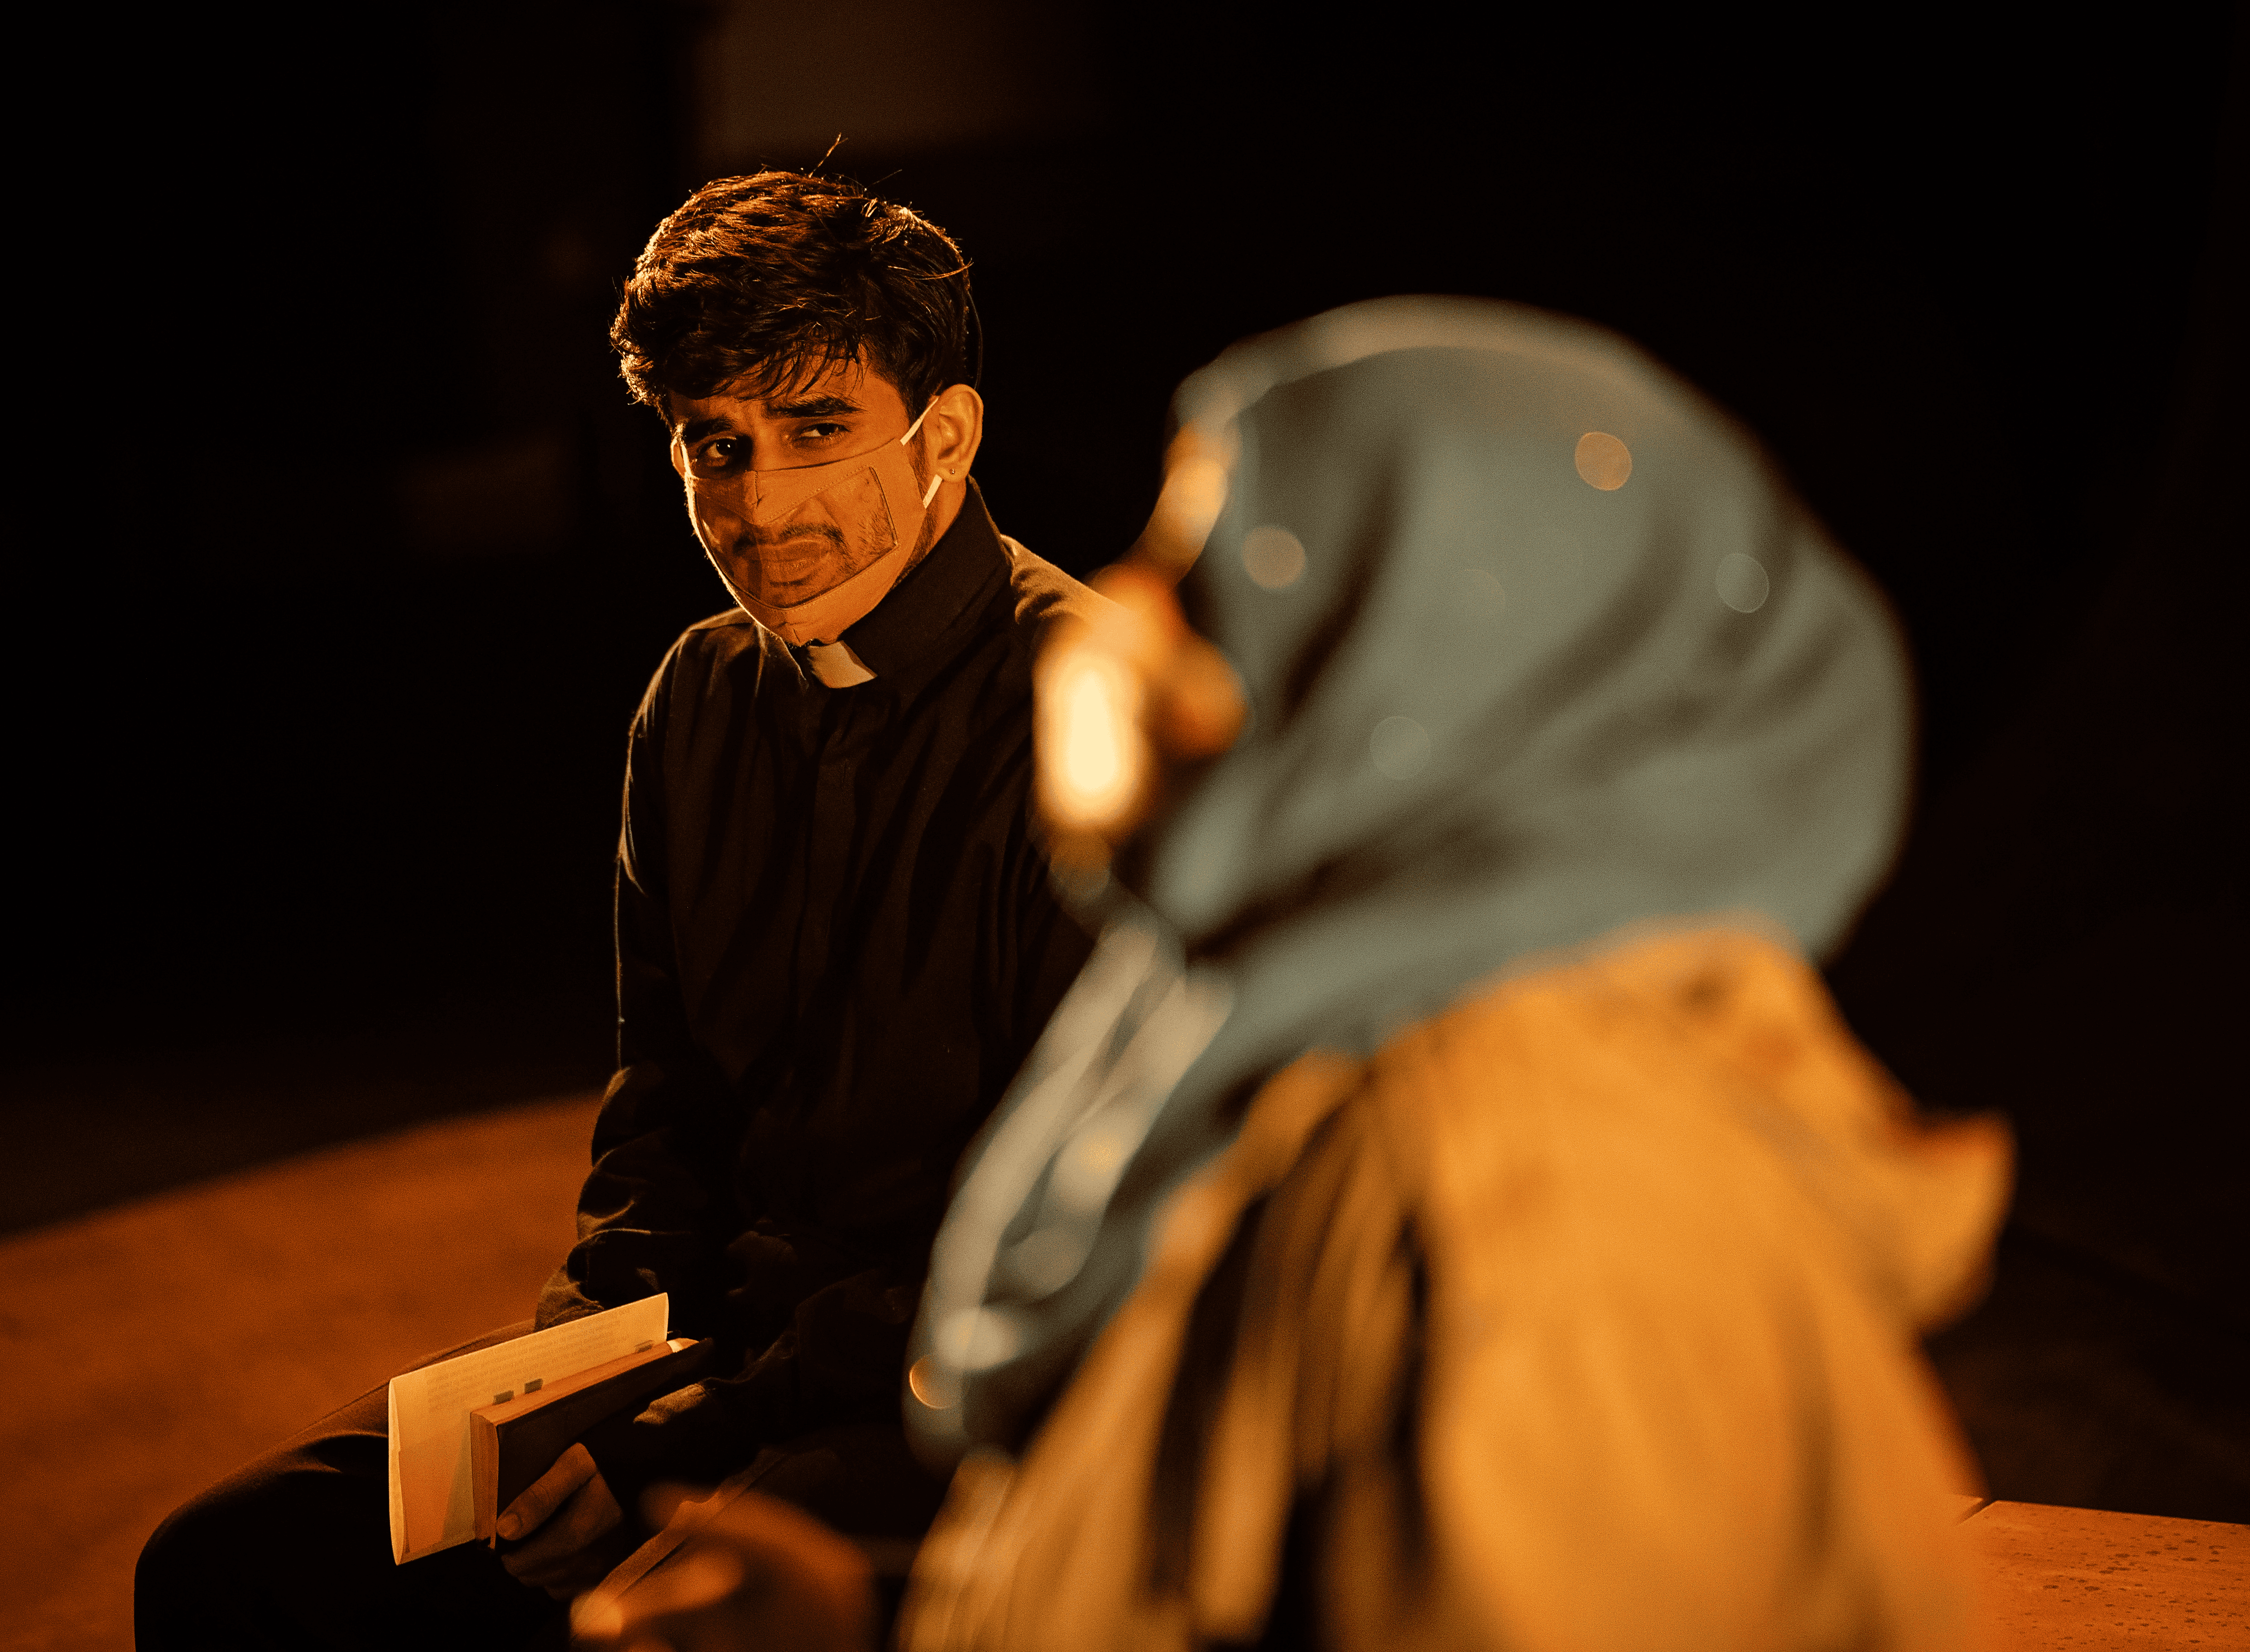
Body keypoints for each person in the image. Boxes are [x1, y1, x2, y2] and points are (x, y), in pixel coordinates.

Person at [577, 298, 2011, 1652]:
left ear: (1427, 687)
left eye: (1212, 584)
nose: (1124, 621)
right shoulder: (1340, 1064)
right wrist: (877, 1619)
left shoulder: (1526, 1197)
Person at [135, 171, 1106, 1651]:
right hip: (708, 1360)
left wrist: (686, 1432)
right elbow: (662, 1109)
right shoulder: (700, 698)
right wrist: (578, 1379)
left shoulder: (1092, 714)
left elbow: (1048, 1228)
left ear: (948, 435)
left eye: (818, 431)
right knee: (232, 1565)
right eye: (715, 448)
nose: (759, 503)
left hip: (943, 1388)